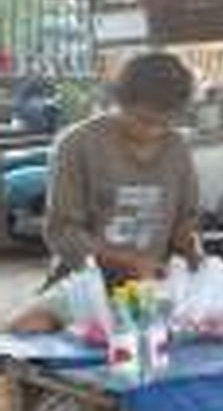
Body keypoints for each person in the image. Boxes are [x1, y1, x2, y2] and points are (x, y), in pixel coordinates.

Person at [6, 52, 201, 332]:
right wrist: (124, 261)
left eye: (165, 123)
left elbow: (187, 218)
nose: (154, 132)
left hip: (154, 287)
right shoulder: (76, 145)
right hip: (85, 283)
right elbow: (62, 232)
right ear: (120, 102)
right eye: (144, 120)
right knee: (21, 332)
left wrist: (193, 252)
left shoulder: (177, 148)